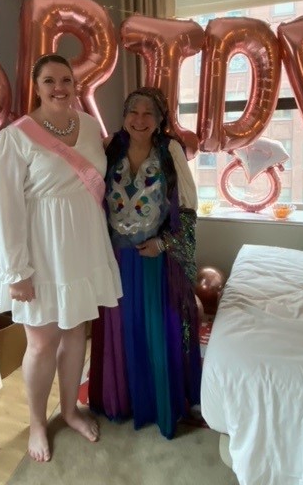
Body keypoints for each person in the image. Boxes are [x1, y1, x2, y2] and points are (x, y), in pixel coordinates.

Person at [0, 54, 122, 462]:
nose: (60, 87)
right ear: (37, 85)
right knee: (42, 343)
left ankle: (68, 410)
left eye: (66, 79)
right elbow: (5, 208)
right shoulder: (16, 137)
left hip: (83, 243)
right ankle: (35, 422)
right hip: (41, 251)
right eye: (50, 80)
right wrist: (17, 271)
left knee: (75, 335)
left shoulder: (86, 125)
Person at [88, 86, 201, 439]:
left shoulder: (170, 151)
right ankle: (122, 401)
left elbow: (189, 207)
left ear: (160, 119)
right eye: (132, 112)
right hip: (115, 258)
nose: (139, 119)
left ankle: (159, 405)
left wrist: (164, 243)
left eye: (148, 113)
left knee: (155, 329)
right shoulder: (110, 148)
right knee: (122, 330)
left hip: (154, 259)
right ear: (123, 116)